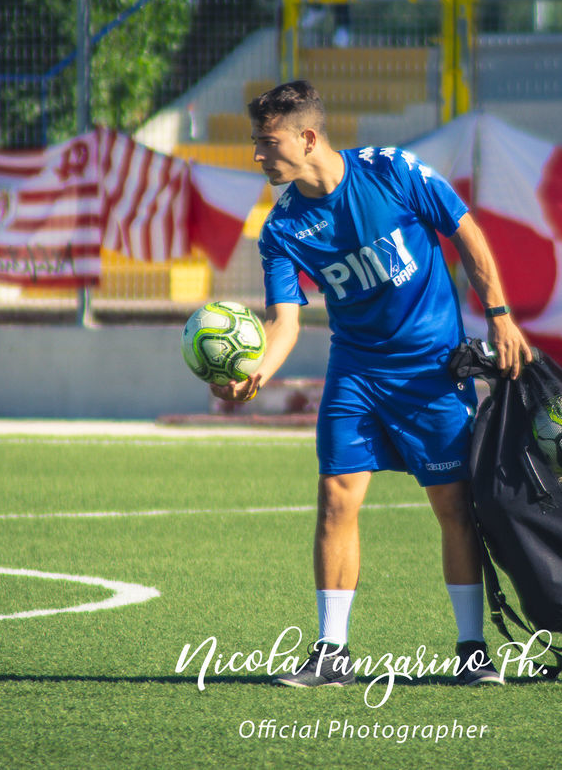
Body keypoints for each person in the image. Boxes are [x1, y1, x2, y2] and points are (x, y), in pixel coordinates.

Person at [213, 80, 532, 688]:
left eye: (266, 141)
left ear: (307, 137)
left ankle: (472, 653)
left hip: (432, 373)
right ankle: (332, 654)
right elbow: (284, 322)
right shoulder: (280, 229)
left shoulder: (393, 170)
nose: (258, 154)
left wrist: (499, 314)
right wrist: (257, 370)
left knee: (453, 508)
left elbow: (464, 230)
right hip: (355, 373)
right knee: (336, 497)